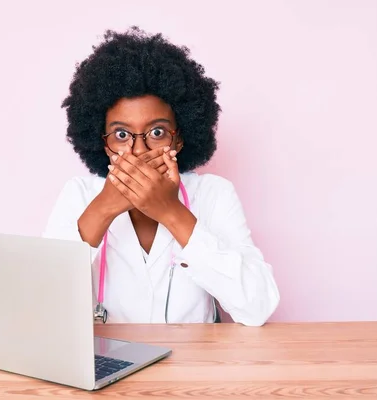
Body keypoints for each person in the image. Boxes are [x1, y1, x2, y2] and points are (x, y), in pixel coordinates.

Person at [43, 27, 279, 326]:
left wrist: (170, 211)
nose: (139, 150)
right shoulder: (79, 194)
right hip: (109, 366)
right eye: (121, 134)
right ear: (103, 143)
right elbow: (42, 307)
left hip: (193, 368)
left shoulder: (214, 194)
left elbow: (258, 307)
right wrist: (103, 208)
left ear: (179, 140)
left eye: (157, 132)